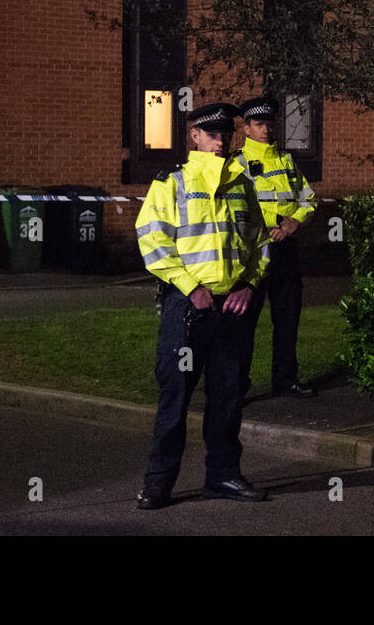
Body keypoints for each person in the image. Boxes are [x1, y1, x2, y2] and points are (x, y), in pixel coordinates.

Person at [134, 102, 273, 509]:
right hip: (188, 309)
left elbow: (260, 245)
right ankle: (158, 484)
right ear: (193, 136)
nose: (219, 141)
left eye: (224, 135)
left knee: (228, 398)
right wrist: (189, 286)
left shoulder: (241, 184)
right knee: (175, 400)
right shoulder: (172, 182)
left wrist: (248, 284)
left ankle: (224, 477)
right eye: (211, 134)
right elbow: (152, 240)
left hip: (232, 309)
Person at [232, 96, 318, 399]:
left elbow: (308, 198)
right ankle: (238, 385)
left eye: (269, 123)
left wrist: (293, 222)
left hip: (285, 251)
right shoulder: (236, 164)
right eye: (259, 124)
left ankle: (286, 380)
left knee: (287, 318)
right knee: (244, 322)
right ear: (246, 129)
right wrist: (259, 230)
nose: (266, 129)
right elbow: (231, 209)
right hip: (254, 252)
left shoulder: (287, 161)